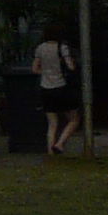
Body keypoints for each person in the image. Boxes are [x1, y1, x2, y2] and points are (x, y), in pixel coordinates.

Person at [35, 26, 80, 155]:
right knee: (74, 119)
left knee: (52, 123)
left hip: (45, 88)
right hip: (61, 87)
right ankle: (60, 143)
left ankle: (50, 151)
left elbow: (35, 68)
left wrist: (46, 72)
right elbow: (71, 67)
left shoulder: (40, 48)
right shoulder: (62, 48)